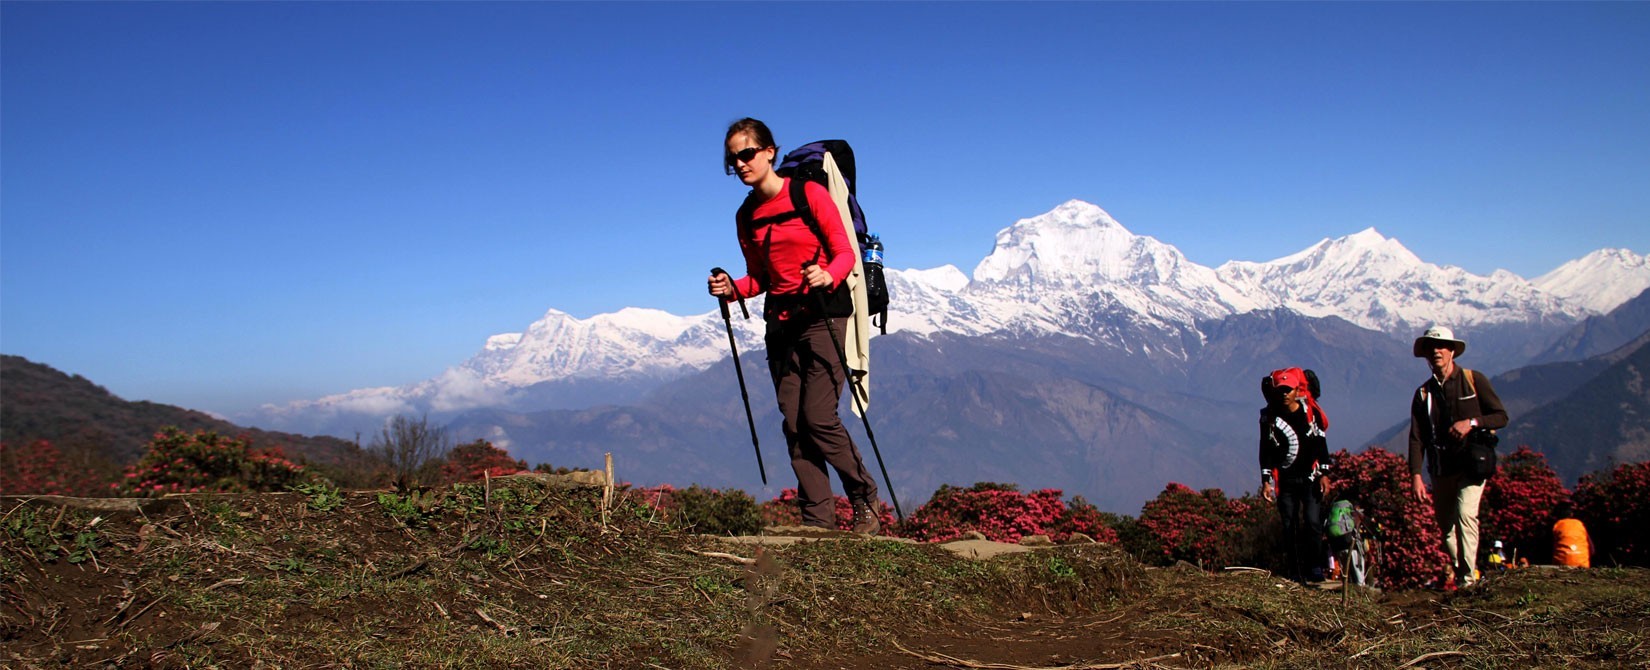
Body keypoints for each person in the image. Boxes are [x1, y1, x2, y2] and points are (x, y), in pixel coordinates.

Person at [707, 118, 882, 534]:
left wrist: (827, 275)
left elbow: (843, 254)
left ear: (769, 151)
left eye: (747, 153)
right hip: (781, 323)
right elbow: (760, 279)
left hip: (824, 314)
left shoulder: (809, 194)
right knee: (794, 423)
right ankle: (816, 520)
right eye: (733, 159)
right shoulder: (746, 216)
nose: (741, 163)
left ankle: (865, 498)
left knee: (819, 417)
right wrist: (731, 288)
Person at [1407, 325, 1508, 589]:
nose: (1436, 351)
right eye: (1431, 347)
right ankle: (1463, 569)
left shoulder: (1474, 380)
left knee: (1465, 514)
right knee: (1447, 527)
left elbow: (1501, 416)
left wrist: (1472, 422)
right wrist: (1416, 475)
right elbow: (1417, 437)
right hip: (1441, 468)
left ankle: (1466, 579)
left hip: (1472, 464)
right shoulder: (1423, 394)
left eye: (1441, 346)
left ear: (1452, 351)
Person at [1259, 367, 1334, 583]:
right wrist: (1266, 480)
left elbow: (1321, 445)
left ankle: (1315, 567)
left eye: (1288, 389)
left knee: (1312, 522)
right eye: (1280, 390)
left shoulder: (1310, 414)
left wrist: (1324, 474)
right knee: (1289, 525)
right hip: (1286, 481)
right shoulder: (1269, 418)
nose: (1284, 394)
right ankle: (1294, 570)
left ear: (1296, 390)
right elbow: (1265, 450)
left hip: (1310, 479)